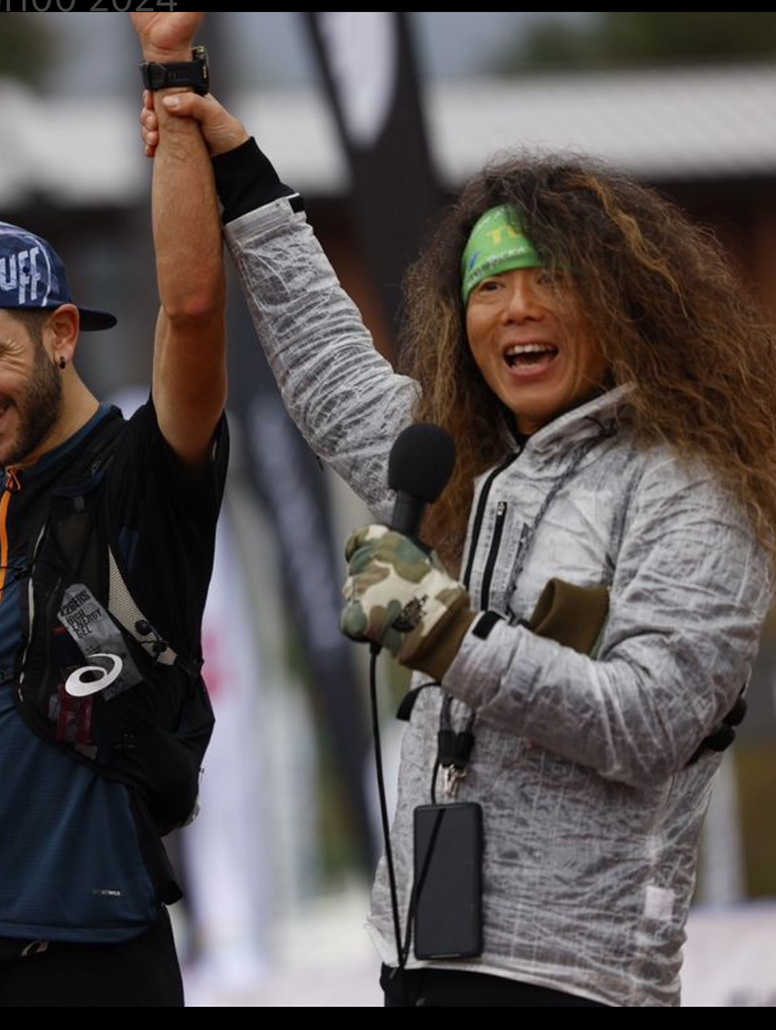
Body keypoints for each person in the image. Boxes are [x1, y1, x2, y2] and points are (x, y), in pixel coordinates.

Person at [139, 61, 776, 1006]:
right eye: (489, 287)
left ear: (627, 307)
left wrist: (443, 631)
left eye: (548, 280)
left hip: (578, 981)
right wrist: (237, 168)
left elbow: (649, 721)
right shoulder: (465, 466)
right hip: (423, 955)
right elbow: (328, 367)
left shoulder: (693, 487)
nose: (515, 309)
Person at [0, 12, 227, 1009]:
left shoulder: (142, 475)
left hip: (88, 963)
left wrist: (168, 74)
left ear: (62, 332)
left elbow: (191, 308)